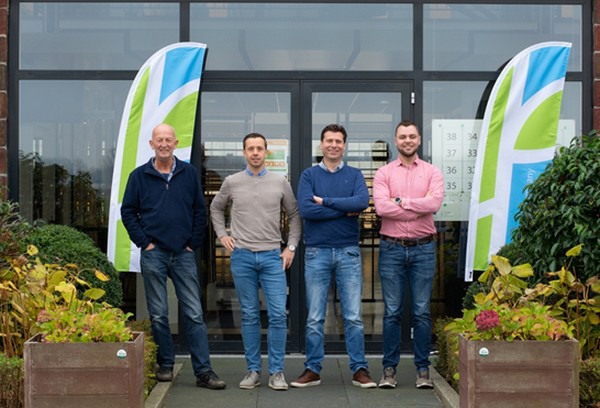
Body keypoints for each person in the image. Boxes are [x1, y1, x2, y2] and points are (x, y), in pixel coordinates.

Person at [120, 123, 226, 389]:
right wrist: (145, 243)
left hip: (183, 254)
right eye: (159, 140)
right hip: (154, 253)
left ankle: (204, 372)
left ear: (176, 143)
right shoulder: (139, 176)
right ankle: (165, 365)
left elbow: (199, 210)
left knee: (194, 314)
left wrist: (192, 243)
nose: (164, 144)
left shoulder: (188, 173)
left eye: (168, 139)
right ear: (152, 144)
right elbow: (128, 212)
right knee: (158, 314)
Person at [210, 132, 301, 391]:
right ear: (244, 152)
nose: (255, 152)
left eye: (260, 148)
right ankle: (253, 371)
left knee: (278, 315)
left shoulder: (280, 182)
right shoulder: (232, 182)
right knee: (249, 315)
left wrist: (291, 247)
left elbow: (295, 215)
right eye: (250, 148)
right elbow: (215, 208)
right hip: (242, 256)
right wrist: (222, 234)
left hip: (273, 256)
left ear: (266, 151)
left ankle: (277, 372)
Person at [290, 124, 376, 389]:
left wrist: (325, 201)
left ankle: (359, 369)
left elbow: (361, 203)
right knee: (315, 317)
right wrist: (343, 209)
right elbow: (307, 210)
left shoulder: (355, 174)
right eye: (329, 141)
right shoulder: (308, 175)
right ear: (321, 144)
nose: (334, 145)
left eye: (338, 141)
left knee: (353, 317)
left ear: (344, 145)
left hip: (348, 251)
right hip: (317, 251)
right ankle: (312, 369)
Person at [372, 120, 444, 389]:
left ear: (419, 139)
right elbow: (381, 208)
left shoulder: (432, 172)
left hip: (423, 249)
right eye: (403, 137)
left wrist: (402, 202)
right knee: (392, 312)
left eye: (412, 136)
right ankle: (388, 369)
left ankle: (422, 370)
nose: (407, 140)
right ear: (396, 140)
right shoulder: (384, 173)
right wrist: (417, 208)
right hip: (391, 248)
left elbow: (434, 203)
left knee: (422, 312)